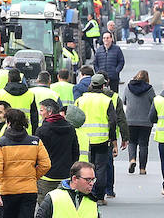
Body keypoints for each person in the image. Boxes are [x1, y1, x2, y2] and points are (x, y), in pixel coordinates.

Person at [75, 74, 118, 204]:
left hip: (84, 139)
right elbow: (113, 122)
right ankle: (99, 196)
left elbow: (75, 118)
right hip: (101, 139)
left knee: (85, 167)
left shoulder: (80, 100)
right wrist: (113, 140)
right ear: (103, 85)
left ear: (91, 85)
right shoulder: (106, 100)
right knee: (100, 168)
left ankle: (86, 193)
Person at [36, 98, 78, 199]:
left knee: (46, 210)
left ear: (49, 112)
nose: (40, 113)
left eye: (41, 110)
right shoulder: (70, 128)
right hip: (65, 175)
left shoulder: (42, 131)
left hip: (46, 177)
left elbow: (37, 155)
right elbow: (75, 152)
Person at [122, 70, 156, 176]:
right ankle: (142, 168)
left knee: (132, 142)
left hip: (130, 120)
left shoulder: (128, 87)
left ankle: (132, 160)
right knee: (143, 144)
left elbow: (124, 101)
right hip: (146, 121)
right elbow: (154, 102)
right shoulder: (149, 89)